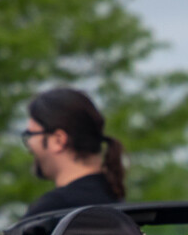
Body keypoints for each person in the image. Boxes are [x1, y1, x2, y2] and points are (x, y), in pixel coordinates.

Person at [21, 87, 125, 217]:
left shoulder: (53, 209)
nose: (29, 144)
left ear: (58, 140)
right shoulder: (115, 200)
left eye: (30, 134)